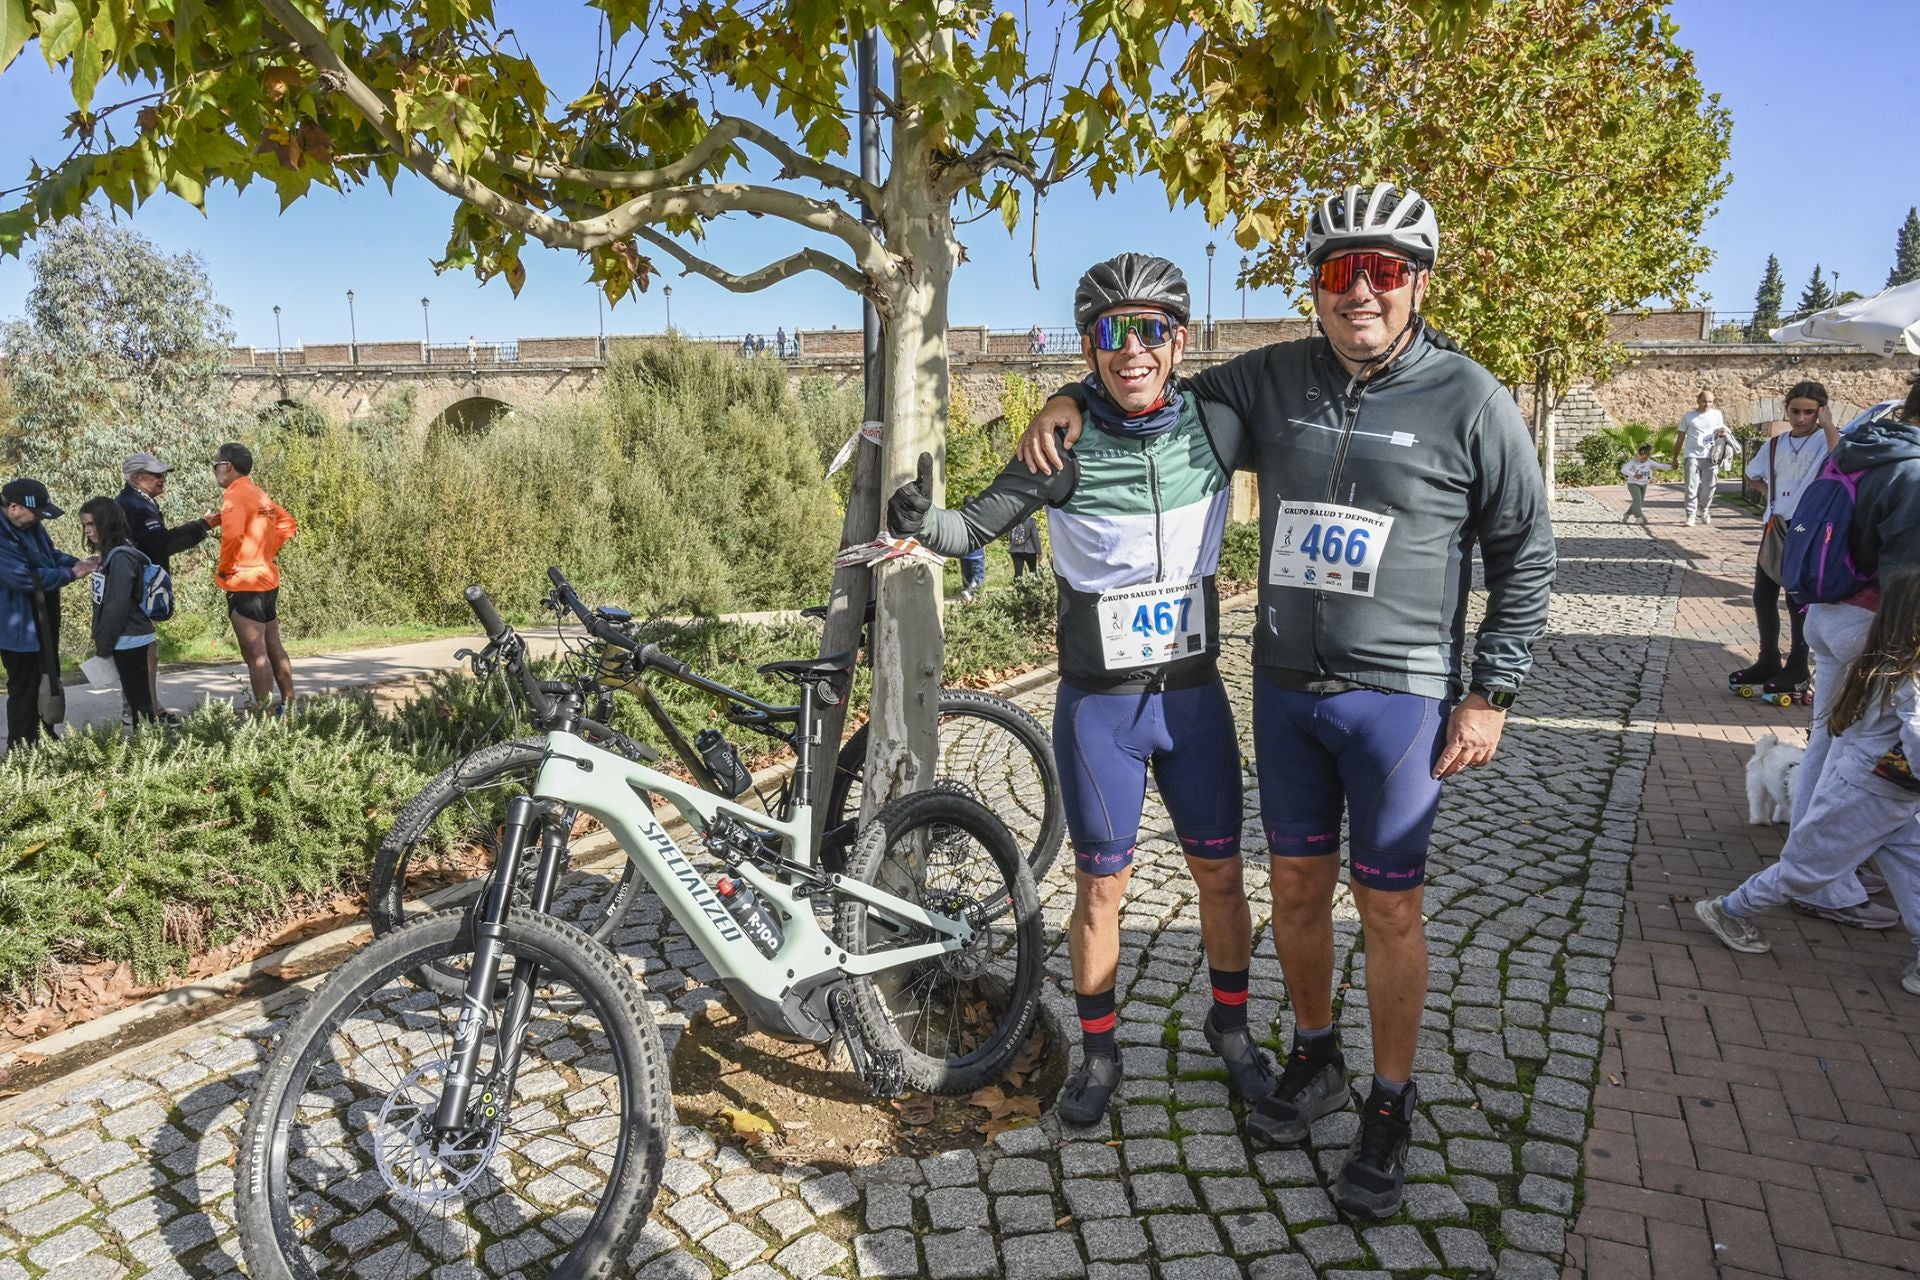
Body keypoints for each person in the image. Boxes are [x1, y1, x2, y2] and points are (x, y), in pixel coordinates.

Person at [1019, 184, 1556, 1217]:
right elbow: (1143, 382)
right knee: (1298, 892)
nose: (1361, 290)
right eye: (1338, 271)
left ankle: (1390, 1107)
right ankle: (1316, 1052)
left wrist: (1491, 691)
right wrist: (1063, 398)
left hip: (1398, 696)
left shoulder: (1471, 398)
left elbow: (1524, 551)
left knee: (1389, 903)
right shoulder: (1271, 380)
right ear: (1314, 289)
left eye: (1384, 270)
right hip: (1283, 691)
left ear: (1419, 283)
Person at [888, 252, 1274, 1129]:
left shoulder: (1216, 426)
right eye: (1109, 333)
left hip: (1194, 699)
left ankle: (1235, 1032)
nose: (1130, 350)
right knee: (1101, 888)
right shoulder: (1059, 445)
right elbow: (976, 523)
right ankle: (1099, 1052)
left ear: (1177, 341)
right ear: (1090, 346)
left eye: (1148, 330)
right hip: (1099, 708)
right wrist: (920, 522)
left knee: (1219, 877)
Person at [1695, 564, 1920, 995]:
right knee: (1806, 869)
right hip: (1867, 795)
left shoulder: (1884, 664)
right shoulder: (1906, 677)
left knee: (1913, 868)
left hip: (1887, 795)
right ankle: (1728, 910)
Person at [1788, 376, 1920, 919]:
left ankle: (1815, 864)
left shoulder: (1866, 444)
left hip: (1827, 610)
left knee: (1830, 740)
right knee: (1858, 759)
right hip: (1869, 623)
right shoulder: (1912, 472)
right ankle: (1821, 880)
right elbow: (1906, 580)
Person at [1730, 383, 1841, 703]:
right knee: (1763, 595)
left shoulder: (1826, 439)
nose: (1802, 418)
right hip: (1775, 523)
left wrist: (1829, 424)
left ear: (1821, 410)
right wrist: (1770, 497)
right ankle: (1768, 659)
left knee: (1797, 599)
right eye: (1795, 411)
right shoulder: (1776, 444)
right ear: (1786, 409)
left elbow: (1840, 461)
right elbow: (1752, 474)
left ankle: (1798, 664)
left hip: (1808, 527)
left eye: (1810, 411)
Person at [116, 452, 216, 722]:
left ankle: (140, 707)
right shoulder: (135, 505)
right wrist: (202, 525)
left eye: (164, 474)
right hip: (137, 587)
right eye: (156, 475)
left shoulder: (136, 501)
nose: (163, 479)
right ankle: (146, 711)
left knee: (145, 651)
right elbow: (161, 544)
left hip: (136, 585)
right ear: (137, 478)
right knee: (144, 651)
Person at [1, 479, 94, 753]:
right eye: (37, 513)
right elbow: (22, 579)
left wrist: (79, 562)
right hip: (16, 627)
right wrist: (71, 573)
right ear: (14, 507)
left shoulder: (28, 524)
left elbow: (50, 555)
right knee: (25, 689)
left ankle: (46, 738)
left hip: (42, 617)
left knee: (47, 681)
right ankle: (22, 750)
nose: (40, 519)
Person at [209, 442, 299, 713]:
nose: (215, 472)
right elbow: (287, 524)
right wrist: (265, 551)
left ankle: (265, 714)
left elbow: (234, 536)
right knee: (274, 647)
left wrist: (225, 568)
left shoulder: (235, 495)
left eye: (216, 466)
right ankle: (289, 704)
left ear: (227, 466)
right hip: (267, 578)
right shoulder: (258, 493)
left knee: (255, 654)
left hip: (245, 582)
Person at [77, 498, 160, 725]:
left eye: (92, 524)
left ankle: (148, 748)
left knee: (139, 701)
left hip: (130, 638)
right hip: (126, 637)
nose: (88, 530)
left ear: (107, 522)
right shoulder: (114, 554)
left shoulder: (121, 557)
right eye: (85, 525)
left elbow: (116, 606)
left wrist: (104, 645)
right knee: (136, 699)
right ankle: (147, 744)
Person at [1674, 388, 1731, 526]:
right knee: (1691, 486)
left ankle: (1704, 509)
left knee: (1710, 486)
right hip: (1692, 454)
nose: (1707, 404)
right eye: (1704, 401)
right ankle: (1690, 515)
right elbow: (1680, 438)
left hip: (1711, 455)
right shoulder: (1689, 416)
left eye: (1710, 402)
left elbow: (1720, 431)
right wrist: (1674, 457)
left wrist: (1723, 433)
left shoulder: (1717, 415)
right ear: (1698, 401)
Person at [1619, 444, 1672, 523]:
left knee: (1639, 501)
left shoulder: (1650, 462)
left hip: (1643, 484)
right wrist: (1634, 474)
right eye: (1641, 454)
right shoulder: (1633, 462)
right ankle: (1639, 517)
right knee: (1637, 500)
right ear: (1638, 454)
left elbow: (1660, 466)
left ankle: (1627, 514)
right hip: (1633, 484)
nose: (1643, 457)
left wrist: (1671, 466)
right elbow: (1623, 469)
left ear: (1648, 455)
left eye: (1646, 455)